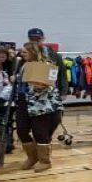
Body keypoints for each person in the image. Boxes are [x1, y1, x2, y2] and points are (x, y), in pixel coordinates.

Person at [12, 40, 65, 173]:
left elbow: (52, 83)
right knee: (21, 130)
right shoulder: (23, 65)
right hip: (23, 101)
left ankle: (44, 161)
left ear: (33, 52)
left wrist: (42, 86)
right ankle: (32, 157)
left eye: (25, 51)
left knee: (40, 132)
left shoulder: (48, 65)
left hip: (42, 103)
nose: (22, 53)